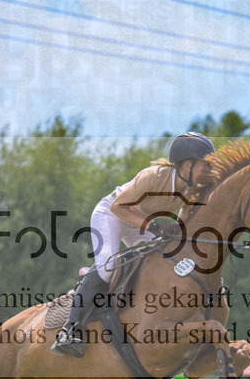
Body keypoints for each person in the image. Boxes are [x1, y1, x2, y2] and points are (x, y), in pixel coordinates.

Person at [51, 132, 216, 357]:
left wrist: (178, 230)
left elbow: (185, 215)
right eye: (205, 164)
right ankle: (69, 329)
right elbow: (118, 208)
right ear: (187, 165)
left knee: (161, 262)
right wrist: (155, 227)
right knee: (107, 266)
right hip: (112, 213)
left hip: (140, 222)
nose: (209, 169)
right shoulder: (153, 177)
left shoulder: (193, 186)